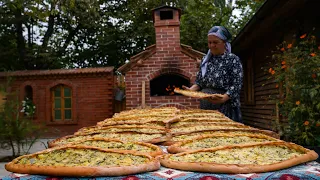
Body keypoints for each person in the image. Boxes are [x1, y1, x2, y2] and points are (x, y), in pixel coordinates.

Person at [183, 26, 243, 123]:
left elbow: (236, 85)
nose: (211, 45)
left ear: (224, 43)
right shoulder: (206, 61)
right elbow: (199, 82)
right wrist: (190, 90)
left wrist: (223, 98)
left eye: (215, 42)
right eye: (209, 42)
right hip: (206, 106)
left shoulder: (232, 59)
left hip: (225, 106)